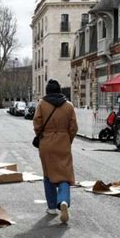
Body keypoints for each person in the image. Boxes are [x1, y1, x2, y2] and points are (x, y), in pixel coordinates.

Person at [33, 79, 78, 223]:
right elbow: (74, 128)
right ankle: (63, 201)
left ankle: (52, 207)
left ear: (47, 91)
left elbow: (37, 124)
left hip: (46, 143)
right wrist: (67, 139)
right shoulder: (69, 106)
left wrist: (43, 136)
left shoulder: (42, 104)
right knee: (64, 175)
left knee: (48, 174)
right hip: (63, 142)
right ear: (59, 91)